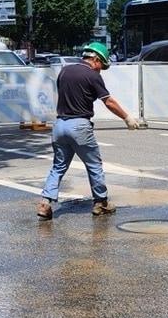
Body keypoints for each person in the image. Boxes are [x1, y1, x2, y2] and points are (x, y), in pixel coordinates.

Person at [38, 42, 144, 221]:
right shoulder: (92, 75)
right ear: (95, 59)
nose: (100, 70)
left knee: (58, 166)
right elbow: (108, 101)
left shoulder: (65, 71)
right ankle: (101, 203)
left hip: (59, 125)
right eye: (101, 65)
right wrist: (127, 118)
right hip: (79, 126)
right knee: (94, 165)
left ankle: (45, 203)